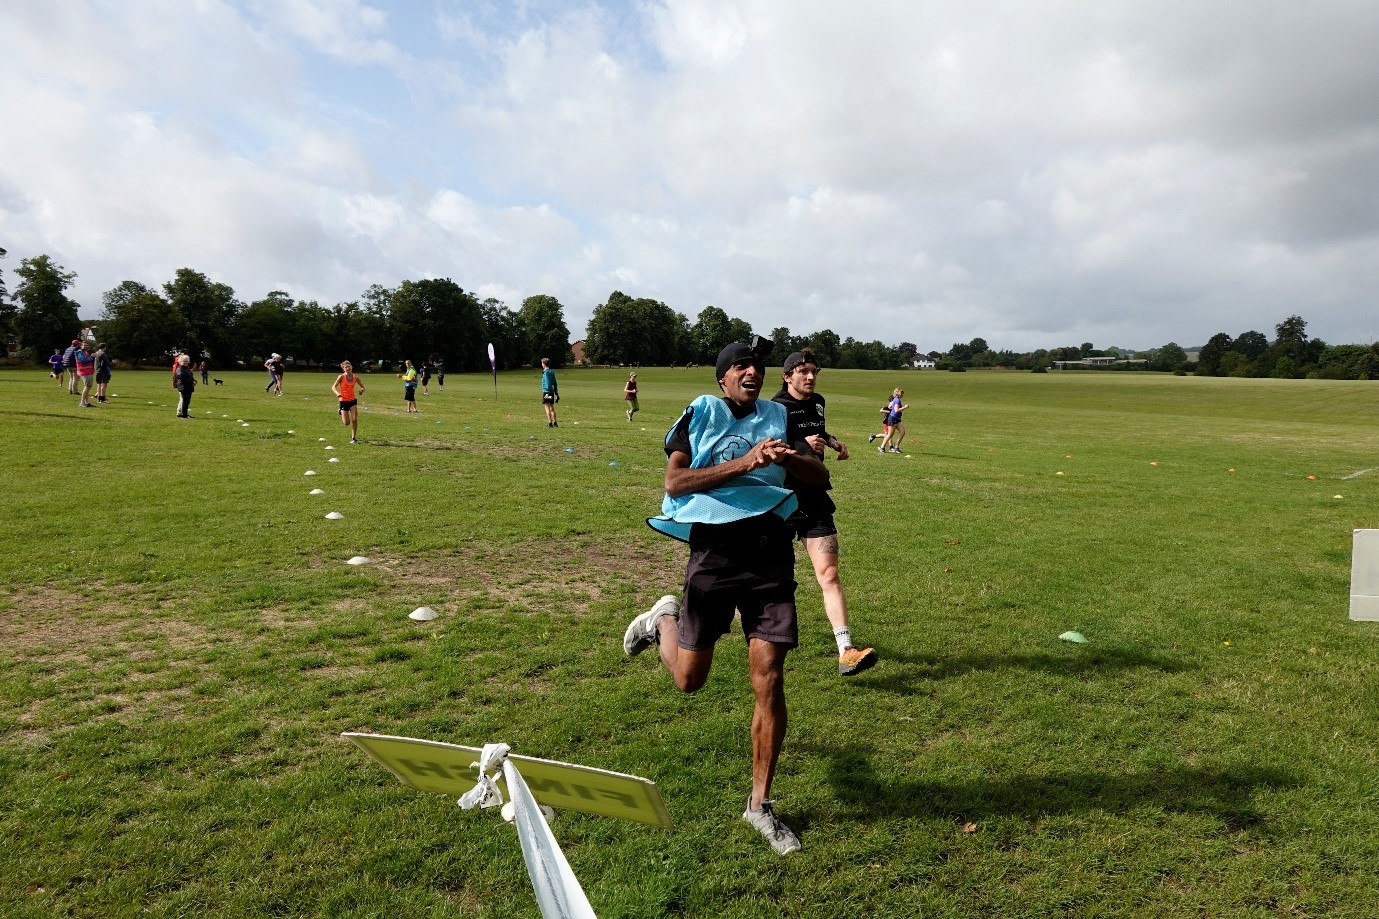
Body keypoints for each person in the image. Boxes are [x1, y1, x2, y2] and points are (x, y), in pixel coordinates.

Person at [622, 339, 828, 855]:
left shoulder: (779, 417)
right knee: (690, 681)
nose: (751, 372)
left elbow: (819, 475)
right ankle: (663, 619)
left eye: (757, 366)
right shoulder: (702, 412)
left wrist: (789, 459)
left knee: (770, 676)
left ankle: (760, 805)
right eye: (740, 366)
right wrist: (746, 462)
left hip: (770, 554)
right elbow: (675, 483)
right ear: (723, 377)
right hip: (713, 553)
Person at [772, 349, 878, 676]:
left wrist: (832, 442)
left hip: (815, 497)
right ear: (787, 376)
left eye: (813, 371)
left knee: (829, 574)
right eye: (802, 371)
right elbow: (771, 445)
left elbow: (817, 426)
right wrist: (802, 446)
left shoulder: (818, 400)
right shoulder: (774, 409)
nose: (809, 376)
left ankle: (846, 649)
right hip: (780, 499)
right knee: (770, 578)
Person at [333, 360, 365, 443]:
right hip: (343, 401)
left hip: (352, 400)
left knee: (354, 419)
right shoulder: (341, 377)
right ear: (343, 369)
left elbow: (362, 387)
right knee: (346, 423)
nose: (347, 368)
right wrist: (338, 394)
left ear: (351, 367)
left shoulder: (355, 377)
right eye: (345, 367)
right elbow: (333, 387)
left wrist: (361, 390)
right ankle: (340, 410)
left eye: (349, 366)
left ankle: (353, 438)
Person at [877, 388, 909, 454]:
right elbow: (897, 410)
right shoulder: (897, 400)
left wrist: (892, 407)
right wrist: (904, 407)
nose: (903, 394)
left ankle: (896, 447)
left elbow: (890, 406)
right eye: (902, 393)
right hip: (893, 418)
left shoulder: (895, 399)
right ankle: (882, 447)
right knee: (890, 434)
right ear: (898, 393)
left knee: (902, 432)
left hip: (897, 419)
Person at [74, 342, 96, 407]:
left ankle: (86, 402)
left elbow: (88, 361)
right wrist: (91, 356)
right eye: (84, 345)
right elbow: (84, 360)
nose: (86, 346)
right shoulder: (79, 352)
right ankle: (82, 402)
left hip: (88, 372)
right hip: (84, 372)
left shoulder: (85, 352)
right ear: (81, 346)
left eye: (87, 345)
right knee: (87, 387)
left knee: (88, 387)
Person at [540, 357, 559, 427]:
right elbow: (555, 383)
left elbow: (547, 383)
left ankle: (550, 423)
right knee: (552, 407)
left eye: (542, 363)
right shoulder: (551, 372)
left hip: (547, 392)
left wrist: (547, 393)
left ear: (544, 364)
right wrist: (556, 393)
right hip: (551, 392)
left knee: (547, 407)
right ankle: (555, 423)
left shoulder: (546, 373)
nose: (541, 364)